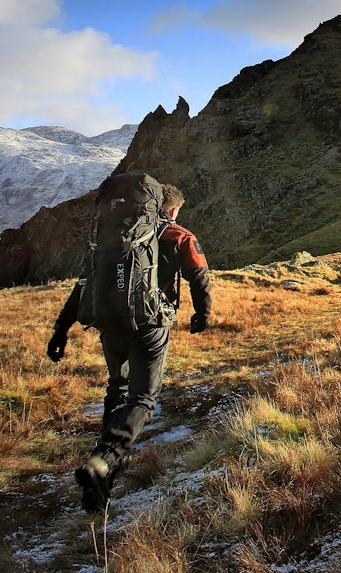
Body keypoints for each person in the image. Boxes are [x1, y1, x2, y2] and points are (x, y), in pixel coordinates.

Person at [47, 181, 213, 511]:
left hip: (110, 326)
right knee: (143, 399)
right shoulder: (178, 234)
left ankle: (98, 489)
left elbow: (84, 286)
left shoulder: (111, 239)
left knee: (117, 391)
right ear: (172, 209)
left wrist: (61, 330)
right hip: (150, 326)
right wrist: (202, 314)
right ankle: (104, 460)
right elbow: (200, 275)